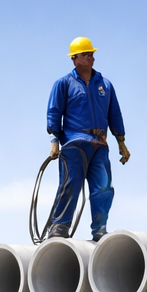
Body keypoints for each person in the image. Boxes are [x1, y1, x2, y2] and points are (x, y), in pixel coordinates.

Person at [45, 37, 128, 241]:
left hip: (100, 144)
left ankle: (100, 229)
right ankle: (59, 227)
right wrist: (54, 140)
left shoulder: (105, 85)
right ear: (74, 59)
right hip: (74, 143)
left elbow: (114, 114)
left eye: (91, 54)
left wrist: (121, 141)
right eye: (86, 54)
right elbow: (54, 112)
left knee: (103, 187)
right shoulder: (64, 84)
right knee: (70, 185)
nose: (91, 57)